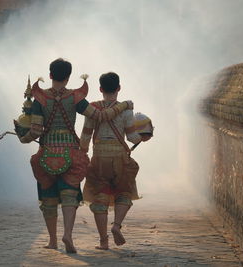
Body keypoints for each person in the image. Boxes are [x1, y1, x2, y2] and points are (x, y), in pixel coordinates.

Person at [15, 59, 133, 253]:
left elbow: (35, 131)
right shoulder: (76, 97)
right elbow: (100, 116)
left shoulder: (41, 98)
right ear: (68, 77)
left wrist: (23, 138)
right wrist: (124, 105)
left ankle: (52, 240)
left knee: (48, 197)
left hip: (47, 153)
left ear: (51, 75)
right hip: (71, 152)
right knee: (69, 194)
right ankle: (68, 235)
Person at [80, 72, 150, 250]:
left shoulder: (92, 108)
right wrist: (144, 135)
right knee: (124, 193)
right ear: (119, 88)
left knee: (99, 197)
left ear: (100, 89)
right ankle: (116, 226)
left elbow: (85, 136)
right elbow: (133, 138)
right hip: (120, 157)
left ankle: (103, 241)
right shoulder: (126, 110)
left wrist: (83, 153)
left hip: (99, 157)